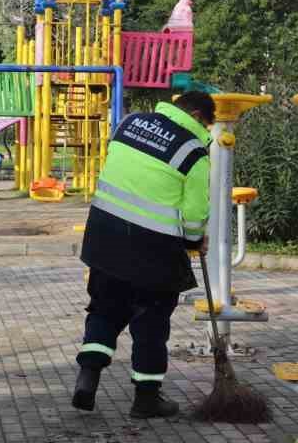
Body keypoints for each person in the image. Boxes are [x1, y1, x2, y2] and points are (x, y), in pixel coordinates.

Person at [72, 90, 215, 419]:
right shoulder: (193, 151)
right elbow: (194, 212)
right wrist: (194, 241)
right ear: (196, 115)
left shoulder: (130, 123)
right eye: (206, 124)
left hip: (104, 237)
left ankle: (88, 378)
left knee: (105, 310)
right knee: (150, 324)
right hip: (154, 251)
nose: (205, 132)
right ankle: (146, 399)